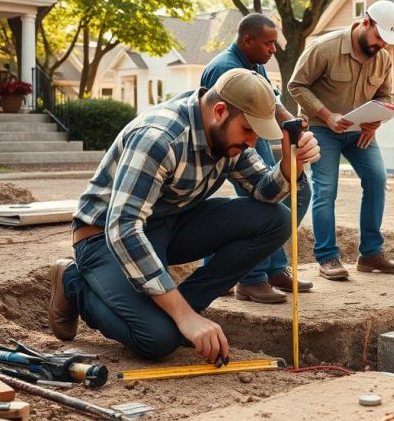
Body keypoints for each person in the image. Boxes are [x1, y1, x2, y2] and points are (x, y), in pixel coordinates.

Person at [47, 69, 320, 362]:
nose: (252, 142)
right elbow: (123, 228)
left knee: (275, 220)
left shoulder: (228, 135)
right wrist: (182, 316)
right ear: (219, 111)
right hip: (104, 239)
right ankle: (73, 283)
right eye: (248, 130)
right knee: (157, 340)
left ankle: (183, 312)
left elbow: (263, 192)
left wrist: (291, 166)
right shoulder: (160, 137)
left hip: (165, 226)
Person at [287, 0, 394, 281]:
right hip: (322, 128)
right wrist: (327, 115)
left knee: (377, 179)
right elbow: (296, 85)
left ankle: (370, 254)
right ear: (366, 22)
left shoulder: (384, 58)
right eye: (379, 37)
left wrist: (376, 120)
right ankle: (327, 257)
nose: (382, 45)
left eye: (388, 41)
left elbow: (384, 96)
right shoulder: (324, 48)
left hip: (359, 132)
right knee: (326, 189)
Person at [200, 13, 313, 304]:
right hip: (240, 143)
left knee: (293, 193)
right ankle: (251, 278)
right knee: (260, 204)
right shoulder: (225, 68)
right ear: (247, 39)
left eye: (275, 43)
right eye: (269, 43)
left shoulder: (253, 64)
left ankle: (271, 268)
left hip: (252, 134)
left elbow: (271, 99)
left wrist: (291, 122)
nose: (274, 49)